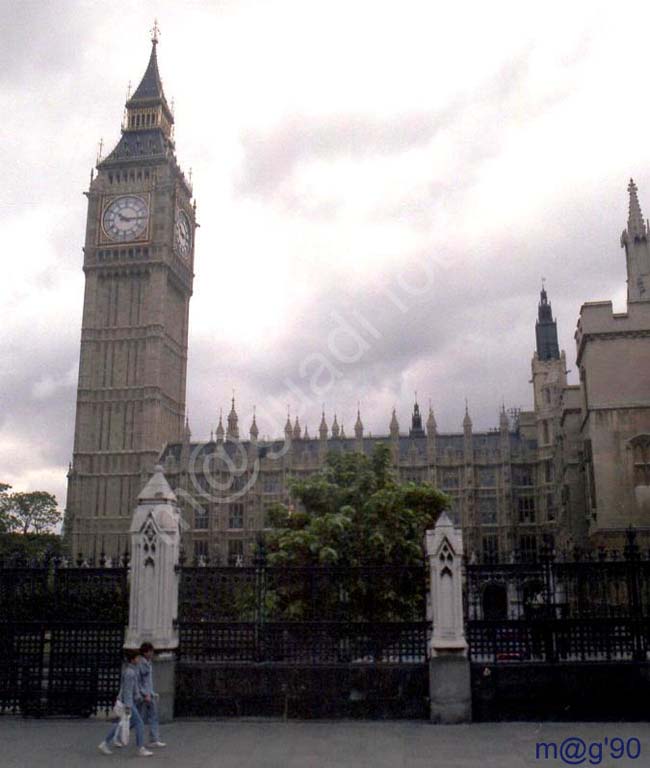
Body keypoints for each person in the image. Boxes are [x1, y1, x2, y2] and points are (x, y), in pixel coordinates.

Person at [98, 649, 152, 757]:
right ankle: (140, 748)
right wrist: (128, 705)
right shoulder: (130, 672)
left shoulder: (131, 671)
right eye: (137, 658)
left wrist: (141, 695)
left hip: (129, 702)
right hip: (129, 703)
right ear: (133, 660)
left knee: (121, 723)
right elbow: (128, 690)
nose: (139, 660)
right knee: (139, 723)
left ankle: (105, 743)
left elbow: (133, 688)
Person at [137, 642, 166, 748]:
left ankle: (154, 738)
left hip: (149, 694)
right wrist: (145, 694)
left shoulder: (148, 663)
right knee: (138, 718)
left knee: (153, 716)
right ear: (146, 652)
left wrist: (152, 693)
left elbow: (148, 681)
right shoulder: (141, 663)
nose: (152, 653)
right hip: (143, 695)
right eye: (150, 651)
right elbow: (139, 681)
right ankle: (119, 735)